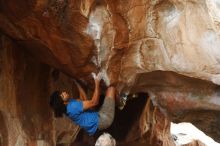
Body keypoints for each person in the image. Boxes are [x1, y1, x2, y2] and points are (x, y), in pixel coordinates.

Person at [49, 73, 116, 136]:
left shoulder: (68, 106)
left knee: (107, 94)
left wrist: (76, 83)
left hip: (97, 119)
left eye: (61, 93)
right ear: (63, 102)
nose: (64, 92)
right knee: (111, 88)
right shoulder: (73, 107)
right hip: (103, 119)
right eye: (62, 95)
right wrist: (97, 81)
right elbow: (94, 102)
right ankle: (123, 97)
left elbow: (83, 100)